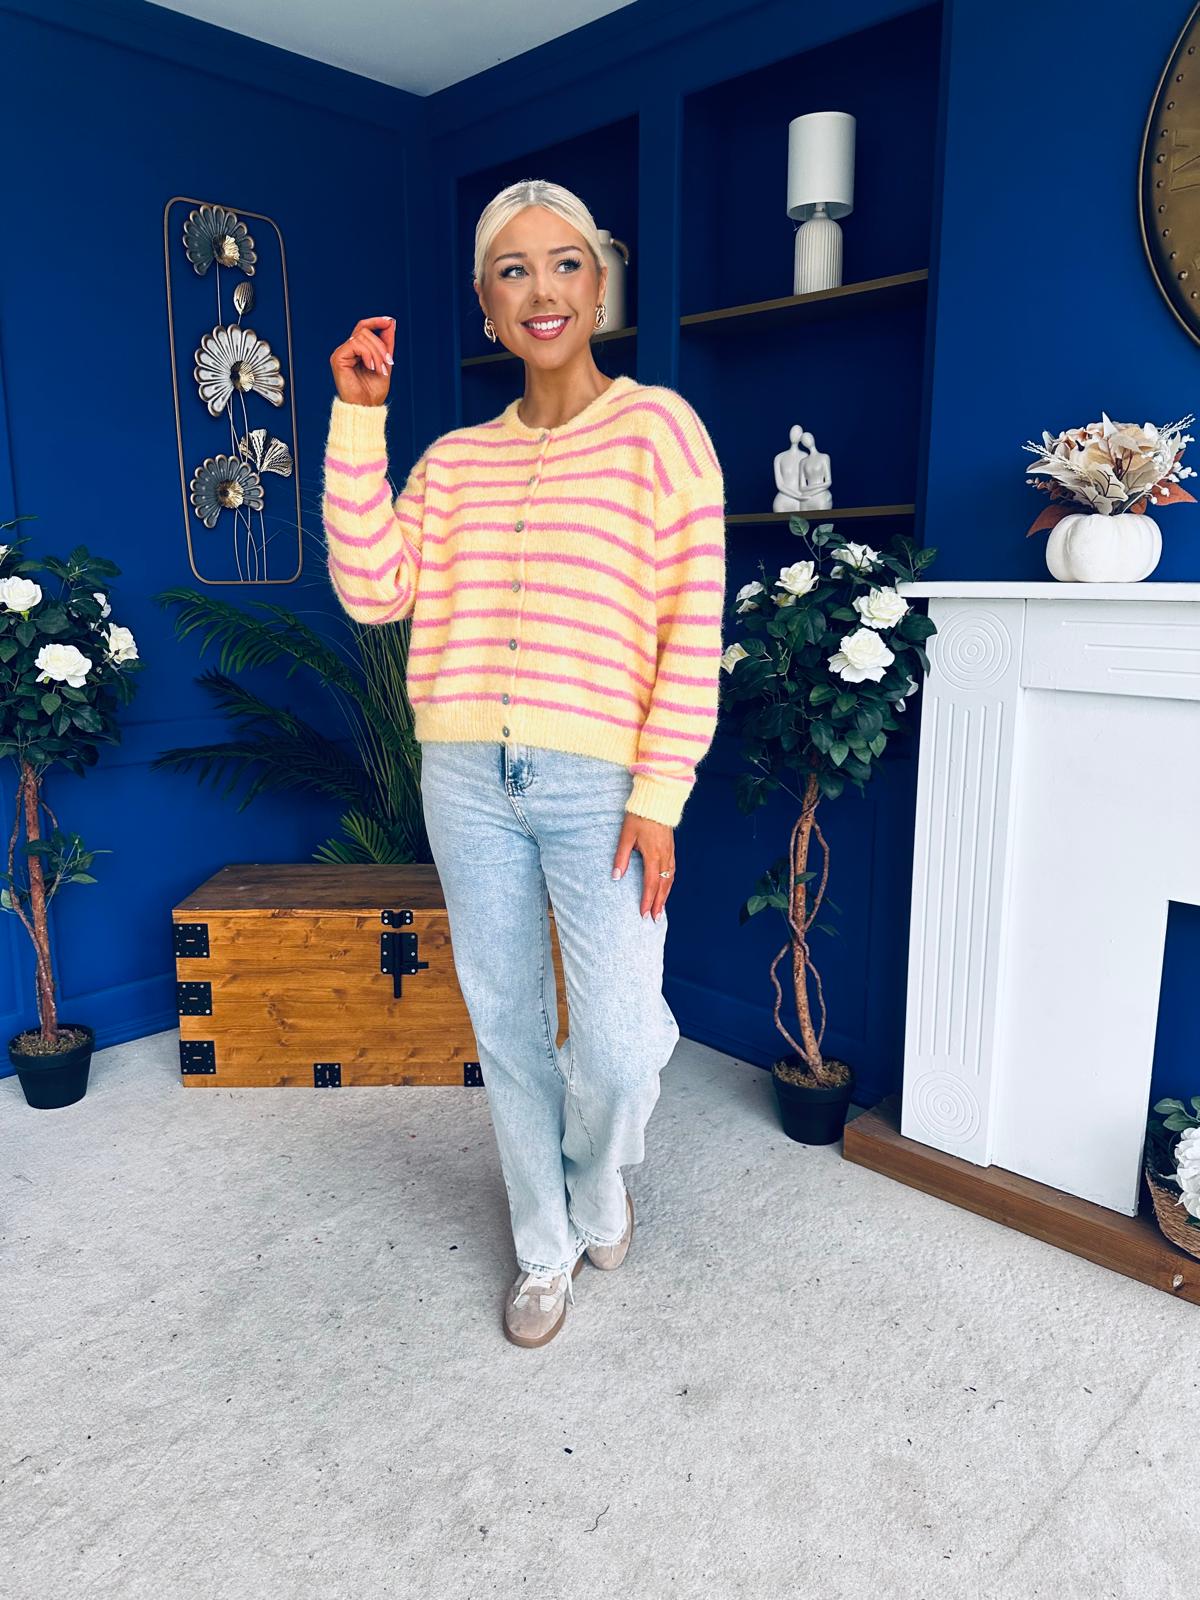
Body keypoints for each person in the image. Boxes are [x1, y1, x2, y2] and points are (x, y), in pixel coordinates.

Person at [322, 178, 726, 1348]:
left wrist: (660, 794)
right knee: (505, 1021)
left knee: (617, 1040)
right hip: (462, 775)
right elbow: (373, 591)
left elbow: (690, 627)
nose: (540, 289)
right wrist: (358, 421)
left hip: (601, 782)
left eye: (564, 264)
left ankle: (598, 1183)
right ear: (487, 306)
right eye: (513, 269)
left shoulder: (661, 433)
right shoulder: (452, 462)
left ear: (599, 288)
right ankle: (545, 1245)